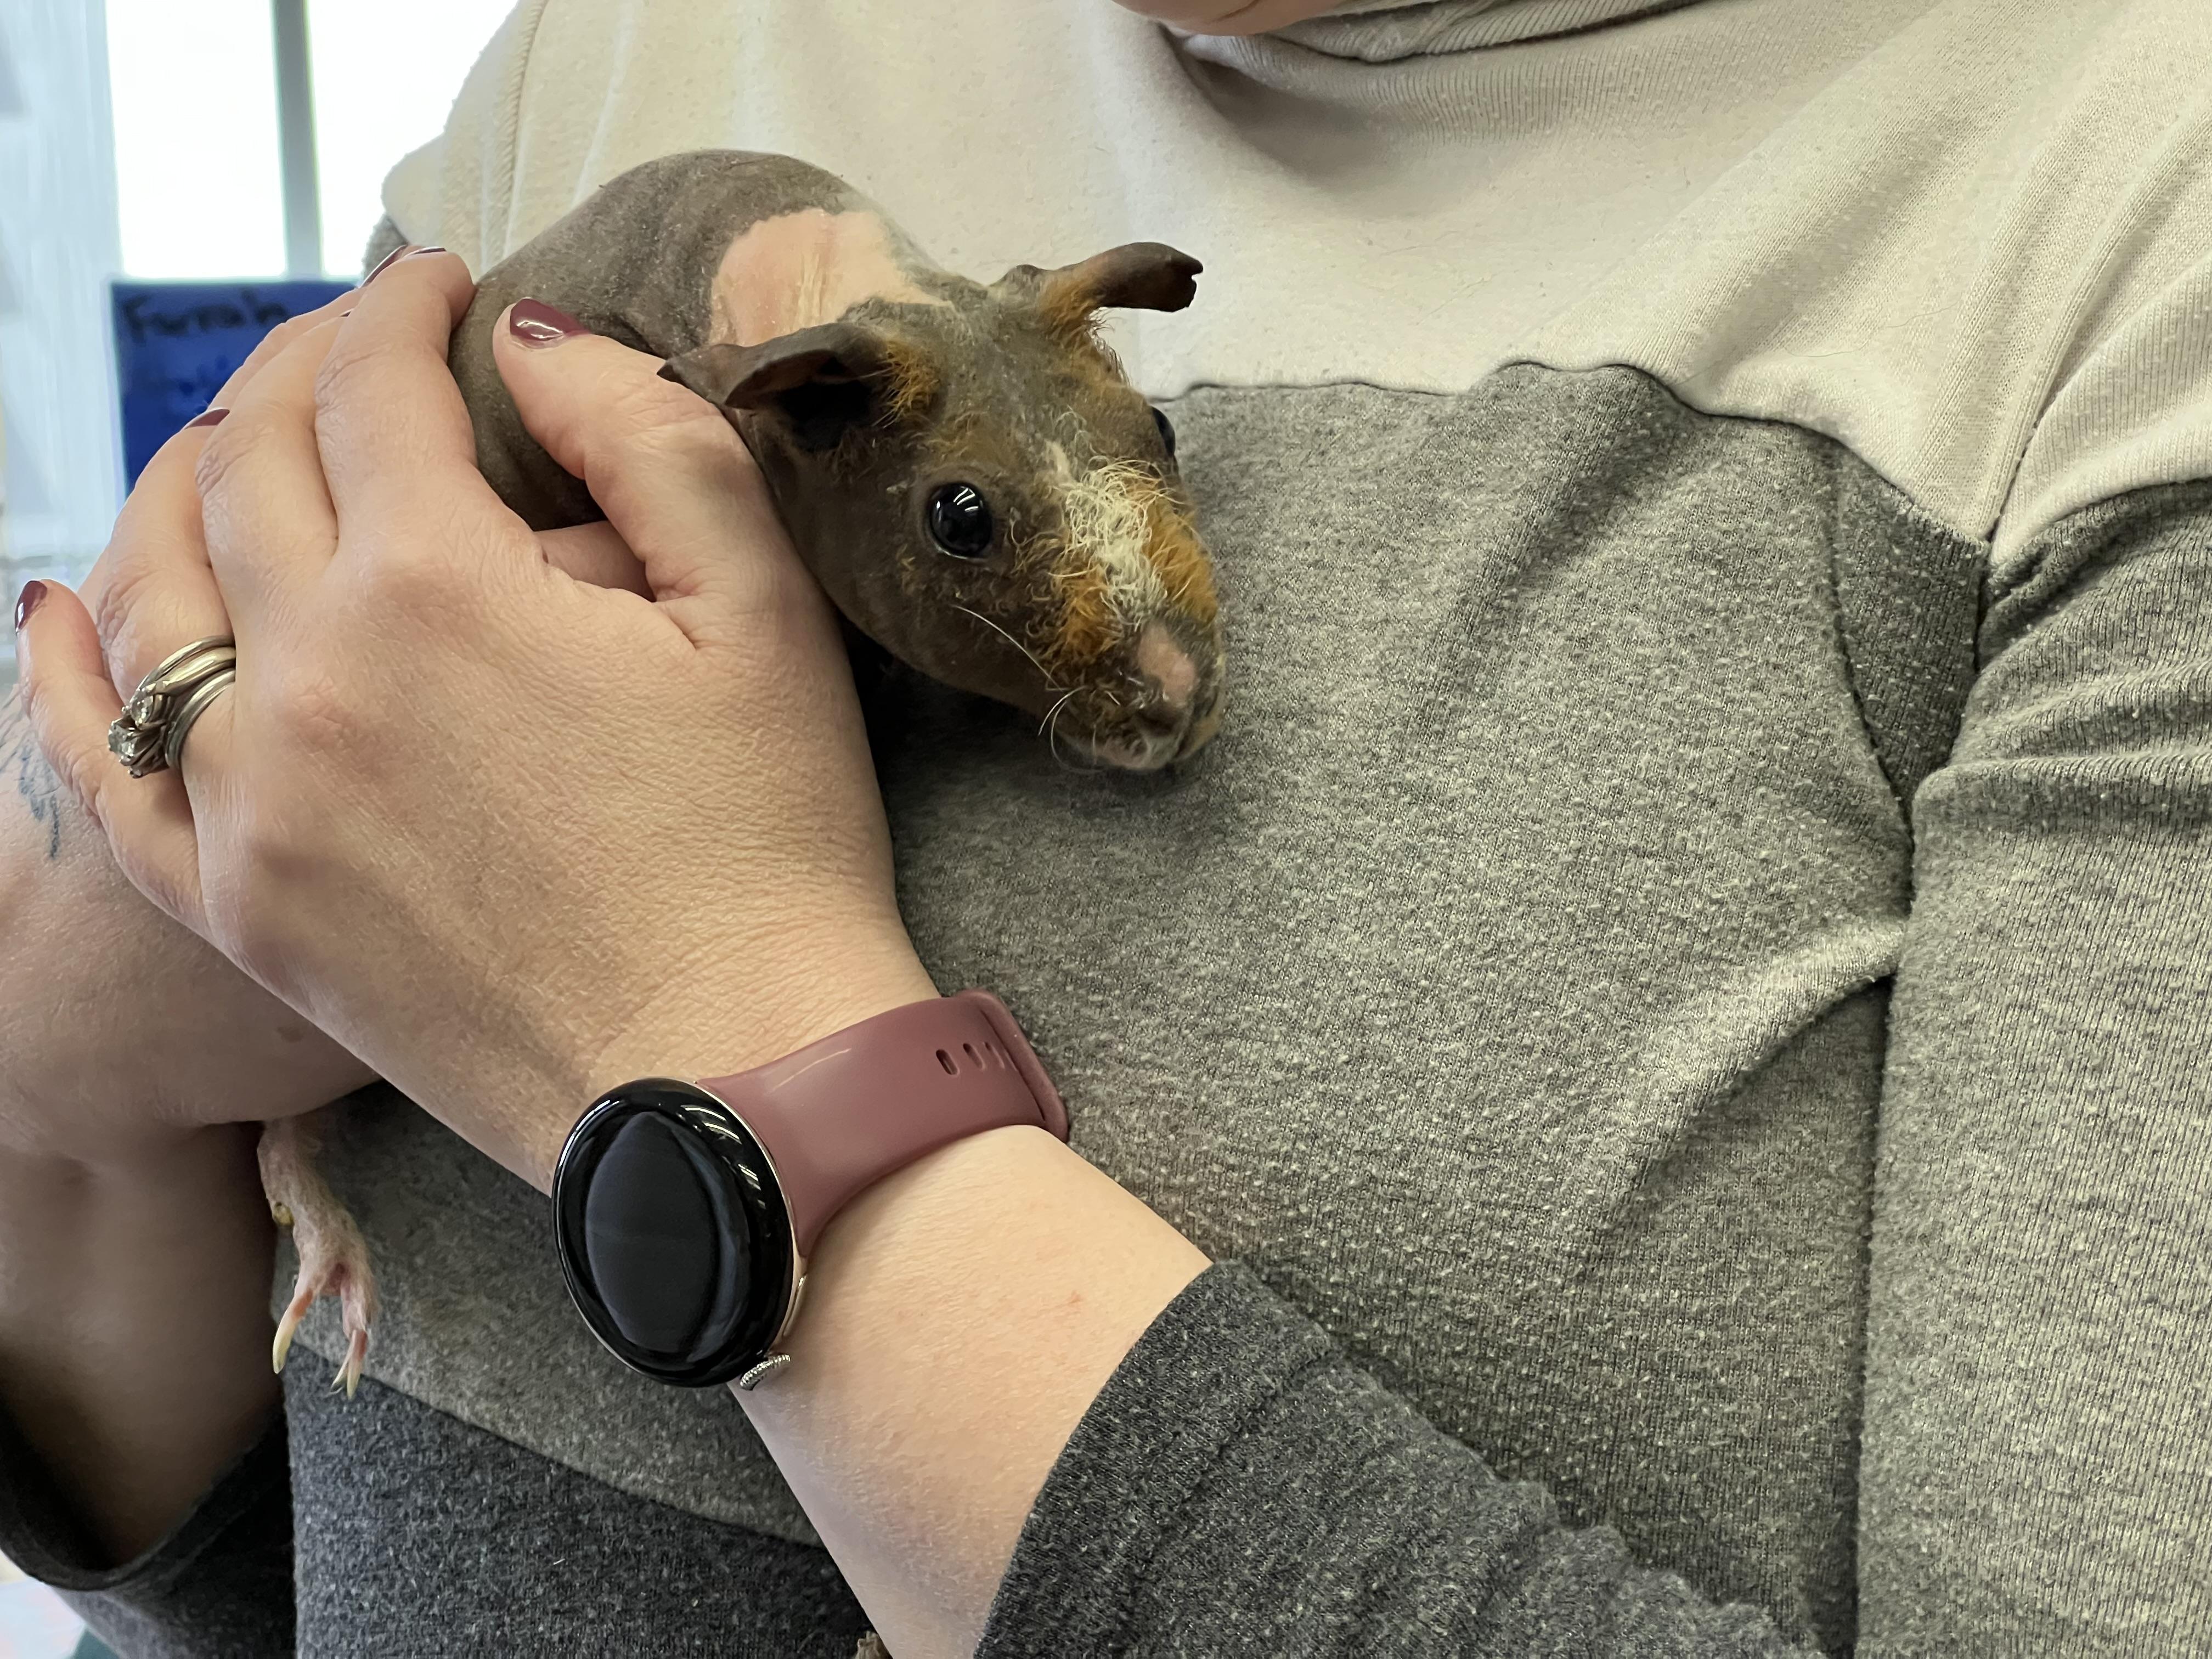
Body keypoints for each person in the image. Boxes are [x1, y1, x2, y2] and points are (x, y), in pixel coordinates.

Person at [4, 0, 2209, 1652]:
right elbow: (325, 1509)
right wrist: (71, 1056)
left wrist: (713, 1042)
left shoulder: (2124, 200)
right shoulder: (616, 54)